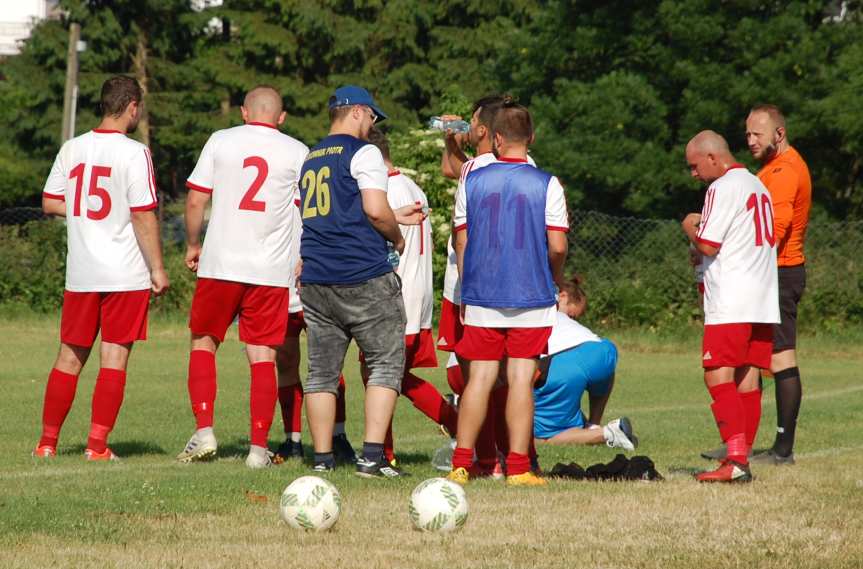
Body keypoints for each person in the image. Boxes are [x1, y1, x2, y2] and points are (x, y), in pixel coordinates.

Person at [34, 76, 169, 460]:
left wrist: (81, 210)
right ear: (132, 107)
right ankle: (96, 446)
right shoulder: (135, 153)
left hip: (81, 272)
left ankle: (47, 443)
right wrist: (158, 269)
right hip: (124, 274)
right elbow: (144, 216)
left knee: (68, 357)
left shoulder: (72, 147)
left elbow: (49, 201)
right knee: (114, 358)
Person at [177, 85, 308, 469]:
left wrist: (191, 244)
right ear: (281, 118)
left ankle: (204, 431)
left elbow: (196, 198)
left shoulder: (221, 140)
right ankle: (256, 450)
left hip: (221, 264)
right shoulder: (297, 150)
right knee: (263, 355)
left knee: (203, 342)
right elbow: (305, 213)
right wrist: (302, 256)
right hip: (270, 270)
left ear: (244, 113)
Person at [298, 85, 424, 477]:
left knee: (321, 372)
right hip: (363, 274)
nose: (372, 126)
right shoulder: (363, 152)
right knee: (385, 363)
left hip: (317, 277)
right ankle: (372, 457)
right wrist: (397, 236)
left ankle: (321, 460)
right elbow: (372, 208)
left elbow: (337, 211)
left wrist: (393, 214)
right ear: (357, 112)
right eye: (372, 117)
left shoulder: (311, 155)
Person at [448, 102, 568, 486]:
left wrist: (467, 290)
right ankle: (518, 468)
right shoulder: (548, 183)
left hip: (482, 292)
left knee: (479, 379)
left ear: (496, 139)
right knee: (519, 378)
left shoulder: (471, 180)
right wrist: (554, 279)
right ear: (531, 139)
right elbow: (558, 246)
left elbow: (462, 241)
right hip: (531, 292)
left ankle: (462, 464)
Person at [681, 130, 779, 483]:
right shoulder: (757, 185)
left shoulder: (722, 187)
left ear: (712, 158)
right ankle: (743, 456)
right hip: (763, 295)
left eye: (695, 166)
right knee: (747, 375)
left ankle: (735, 460)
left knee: (718, 374)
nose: (693, 174)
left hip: (733, 297)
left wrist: (690, 225)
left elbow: (707, 244)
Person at [361, 127, 457, 467]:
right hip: (416, 299)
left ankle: (383, 453)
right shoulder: (412, 186)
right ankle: (453, 418)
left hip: (395, 300)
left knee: (379, 376)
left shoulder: (381, 190)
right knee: (393, 377)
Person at [745, 104, 811, 465]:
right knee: (752, 354)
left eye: (758, 134)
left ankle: (783, 449)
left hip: (781, 272)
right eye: (748, 134)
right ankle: (740, 442)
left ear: (779, 134)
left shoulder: (786, 170)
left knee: (780, 355)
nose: (751, 140)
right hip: (769, 272)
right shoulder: (771, 167)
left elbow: (776, 230)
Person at [272, 203, 356, 465]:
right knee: (285, 362)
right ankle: (292, 439)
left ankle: (338, 436)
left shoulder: (318, 171)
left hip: (316, 282)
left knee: (328, 363)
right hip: (278, 284)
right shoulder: (278, 173)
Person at [532, 276, 637, 449]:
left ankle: (609, 433)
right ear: (562, 296)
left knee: (545, 437)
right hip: (603, 351)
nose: (572, 319)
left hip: (561, 363)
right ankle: (593, 424)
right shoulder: (560, 315)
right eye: (572, 316)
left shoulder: (536, 308)